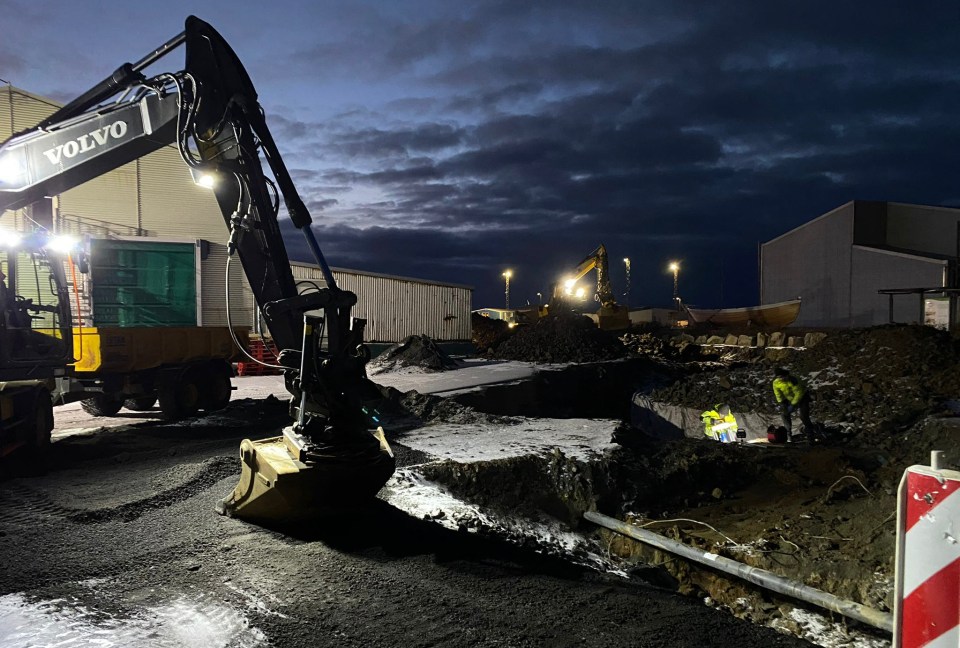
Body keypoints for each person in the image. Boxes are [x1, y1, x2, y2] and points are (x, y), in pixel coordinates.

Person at [772, 367, 816, 442]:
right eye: (779, 377)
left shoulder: (793, 380)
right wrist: (781, 403)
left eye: (782, 377)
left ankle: (811, 435)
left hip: (802, 398)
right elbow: (778, 394)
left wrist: (792, 405)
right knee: (784, 414)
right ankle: (789, 435)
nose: (781, 379)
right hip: (790, 399)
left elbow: (799, 393)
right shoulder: (776, 382)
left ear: (786, 375)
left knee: (803, 416)